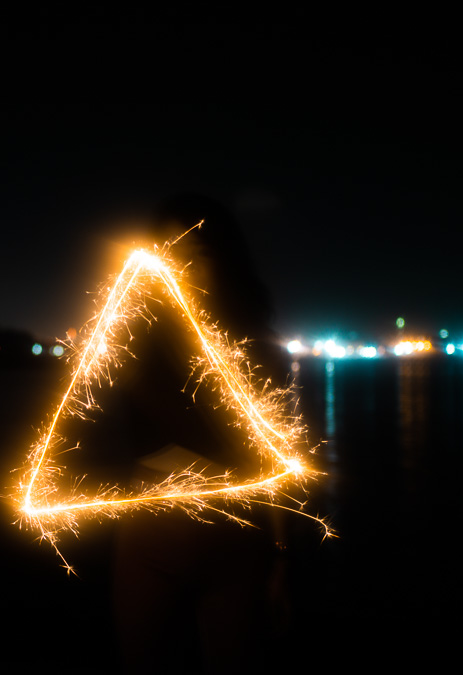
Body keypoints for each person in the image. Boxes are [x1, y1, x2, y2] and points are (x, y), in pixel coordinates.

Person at [108, 194, 288, 674]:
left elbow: (274, 457)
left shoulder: (259, 351)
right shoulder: (136, 344)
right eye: (170, 256)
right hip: (151, 536)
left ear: (224, 260)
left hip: (236, 540)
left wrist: (281, 554)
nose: (182, 269)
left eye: (198, 255)